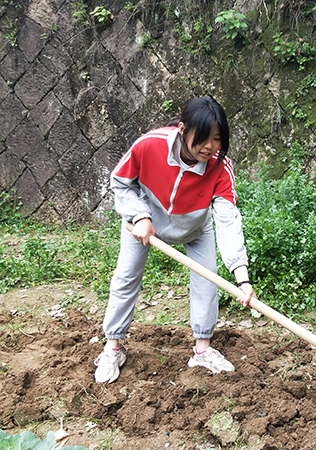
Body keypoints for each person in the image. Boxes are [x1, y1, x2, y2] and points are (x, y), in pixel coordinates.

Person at [94, 96, 256, 383]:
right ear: (182, 129)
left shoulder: (220, 166)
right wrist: (139, 215)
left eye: (217, 139)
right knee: (126, 276)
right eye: (203, 138)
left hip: (195, 227)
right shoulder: (150, 145)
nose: (209, 147)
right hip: (143, 222)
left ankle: (202, 351)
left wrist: (241, 277)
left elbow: (228, 220)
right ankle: (113, 347)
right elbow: (120, 180)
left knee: (206, 280)